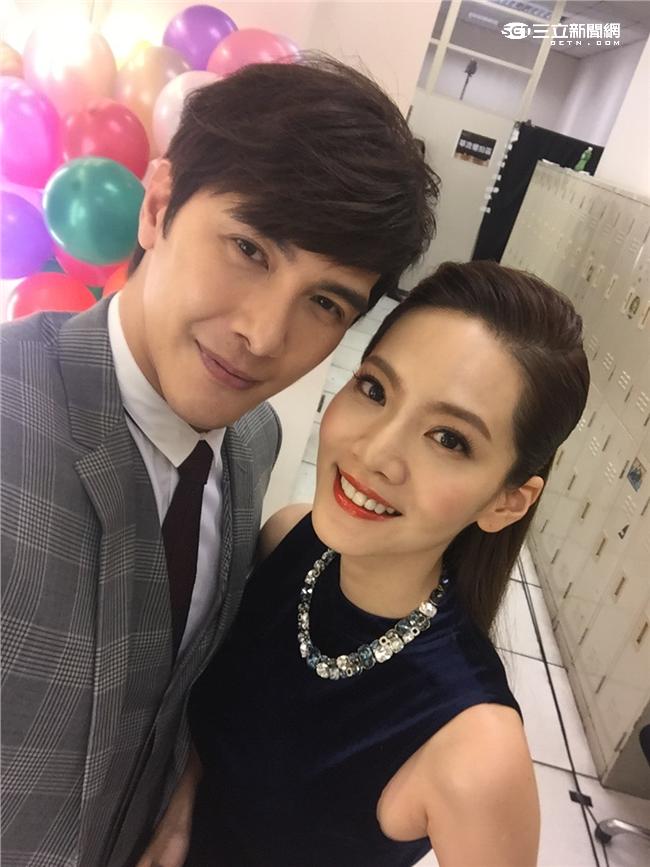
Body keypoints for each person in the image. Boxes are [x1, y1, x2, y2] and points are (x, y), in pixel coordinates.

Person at [0, 56, 439, 867]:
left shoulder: (251, 443)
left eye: (324, 302)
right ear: (158, 205)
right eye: (249, 248)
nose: (264, 335)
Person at [176, 260, 590, 867]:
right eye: (374, 390)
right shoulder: (286, 539)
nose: (374, 452)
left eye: (449, 439)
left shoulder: (473, 749)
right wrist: (185, 790)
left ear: (507, 502)